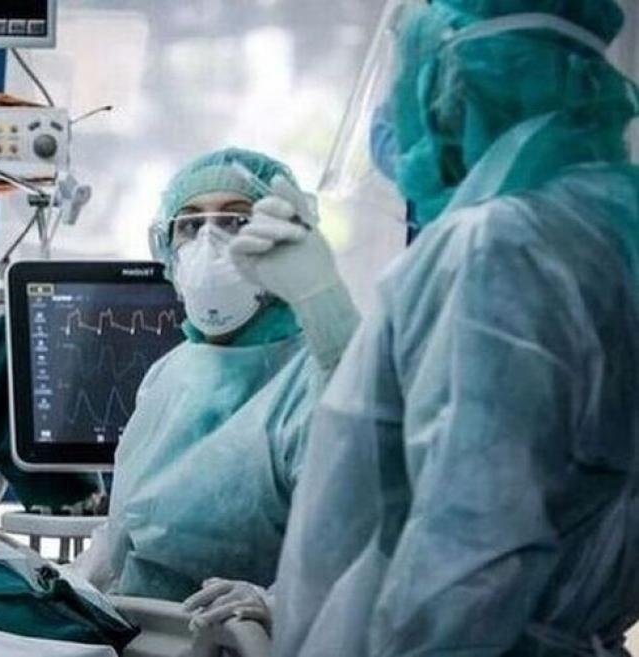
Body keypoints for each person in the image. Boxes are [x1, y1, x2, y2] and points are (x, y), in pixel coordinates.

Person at [255, 0, 639, 654]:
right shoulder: (605, 230)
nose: (394, 115)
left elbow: (470, 553)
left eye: (410, 79)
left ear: (457, 86)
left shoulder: (500, 248)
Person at [73, 148, 360, 622]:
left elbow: (359, 531)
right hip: (140, 635)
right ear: (165, 247)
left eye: (235, 220)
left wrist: (276, 604)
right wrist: (73, 581)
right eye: (189, 225)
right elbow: (124, 530)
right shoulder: (169, 373)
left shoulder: (321, 376)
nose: (208, 241)